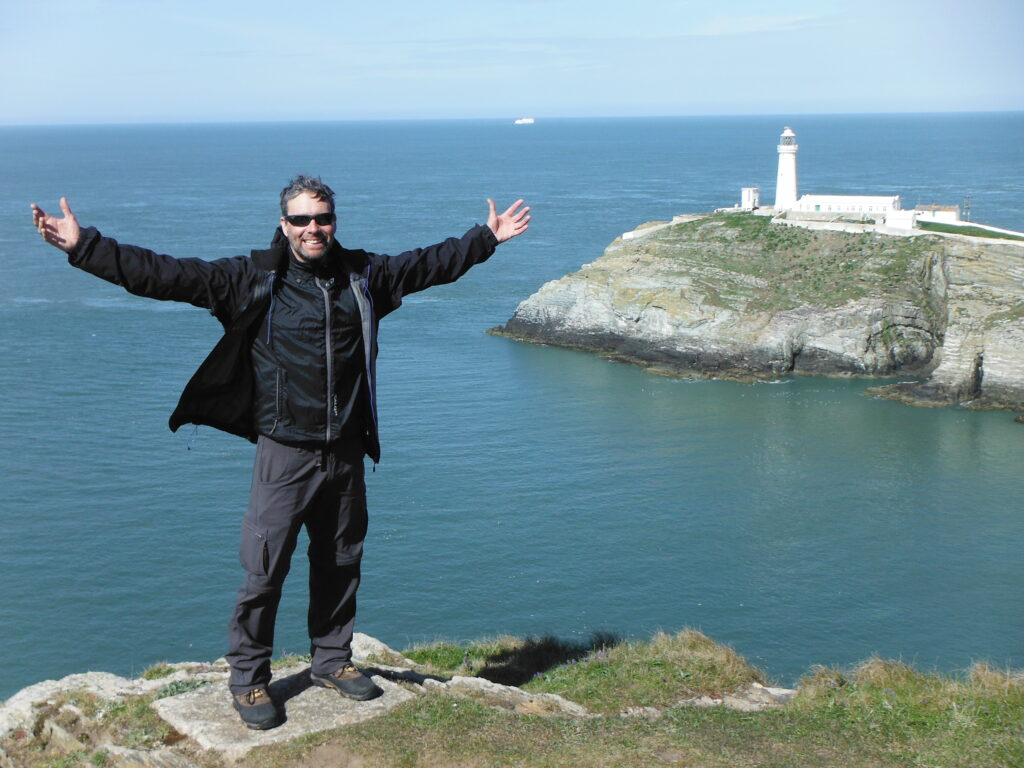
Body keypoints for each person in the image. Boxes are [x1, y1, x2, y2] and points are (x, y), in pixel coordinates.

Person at [30, 177, 530, 730]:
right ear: (283, 223)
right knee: (263, 569)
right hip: (284, 451)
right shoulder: (249, 279)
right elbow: (163, 275)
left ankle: (332, 661)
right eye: (300, 220)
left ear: (334, 220)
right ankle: (248, 681)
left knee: (341, 559)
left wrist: (488, 237)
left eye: (322, 218)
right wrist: (85, 247)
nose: (312, 228)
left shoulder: (364, 276)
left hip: (344, 449)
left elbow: (431, 263)